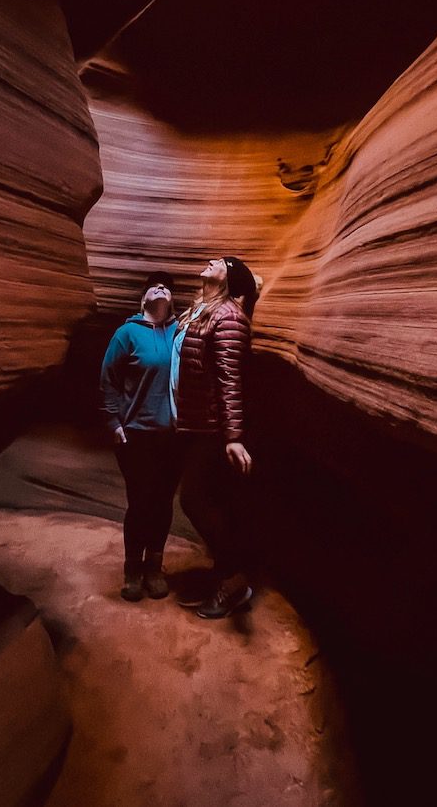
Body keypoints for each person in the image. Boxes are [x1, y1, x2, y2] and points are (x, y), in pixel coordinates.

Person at [173, 255, 259, 619]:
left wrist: (233, 436)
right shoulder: (200, 310)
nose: (211, 260)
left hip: (212, 428)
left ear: (229, 279)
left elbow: (229, 379)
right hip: (191, 423)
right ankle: (225, 573)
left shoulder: (228, 318)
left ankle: (234, 581)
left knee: (193, 500)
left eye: (221, 262)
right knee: (208, 500)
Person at [100, 271, 182, 601]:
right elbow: (108, 379)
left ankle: (154, 567)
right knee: (140, 503)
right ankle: (133, 569)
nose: (161, 288)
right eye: (154, 286)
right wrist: (113, 422)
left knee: (163, 503)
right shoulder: (127, 333)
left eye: (166, 287)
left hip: (172, 435)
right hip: (136, 434)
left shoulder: (180, 331)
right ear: (143, 298)